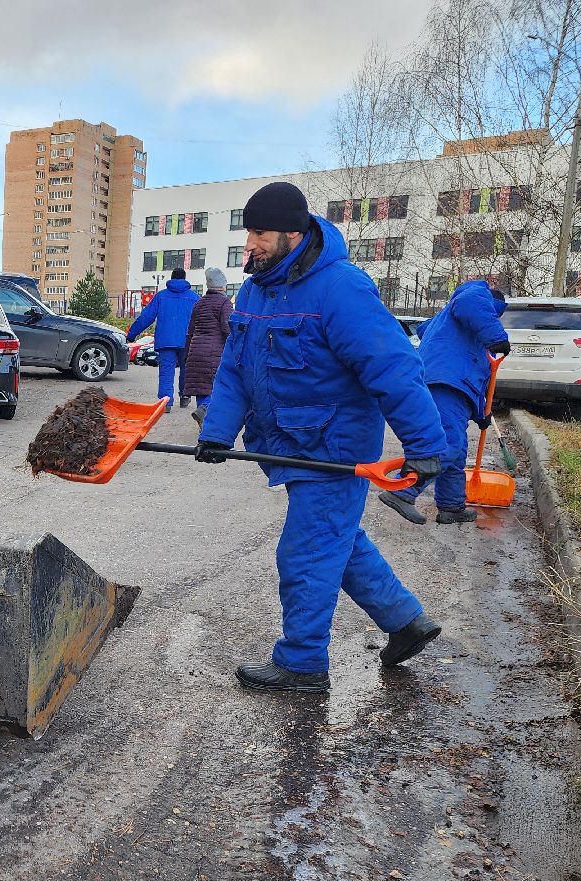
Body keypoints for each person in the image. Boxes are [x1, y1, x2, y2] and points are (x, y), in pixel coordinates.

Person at [195, 181, 447, 693]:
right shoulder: (257, 290)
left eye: (260, 234)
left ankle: (303, 663)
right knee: (338, 540)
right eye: (248, 233)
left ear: (292, 232)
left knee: (306, 551)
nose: (250, 245)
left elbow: (394, 368)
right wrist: (218, 430)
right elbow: (235, 369)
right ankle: (406, 622)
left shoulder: (341, 288)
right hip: (290, 445)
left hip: (335, 449)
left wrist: (425, 448)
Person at [378, 281, 510, 525]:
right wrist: (497, 336)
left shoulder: (454, 328)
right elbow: (470, 304)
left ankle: (451, 506)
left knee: (456, 451)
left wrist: (482, 413)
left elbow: (474, 373)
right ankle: (403, 491)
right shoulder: (474, 296)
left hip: (447, 385)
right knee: (447, 444)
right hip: (446, 385)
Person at [127, 267, 199, 412]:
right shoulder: (194, 298)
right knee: (186, 369)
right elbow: (203, 320)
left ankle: (166, 402)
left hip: (166, 340)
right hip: (187, 340)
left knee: (166, 371)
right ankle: (185, 396)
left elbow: (146, 317)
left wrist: (132, 334)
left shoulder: (161, 296)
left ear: (171, 278)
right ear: (185, 279)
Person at [182, 267, 232, 423]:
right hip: (214, 352)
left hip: (195, 351)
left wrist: (186, 355)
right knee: (216, 387)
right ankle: (205, 412)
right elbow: (227, 328)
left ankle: (203, 419)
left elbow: (190, 332)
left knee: (201, 388)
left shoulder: (199, 303)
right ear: (222, 285)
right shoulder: (225, 303)